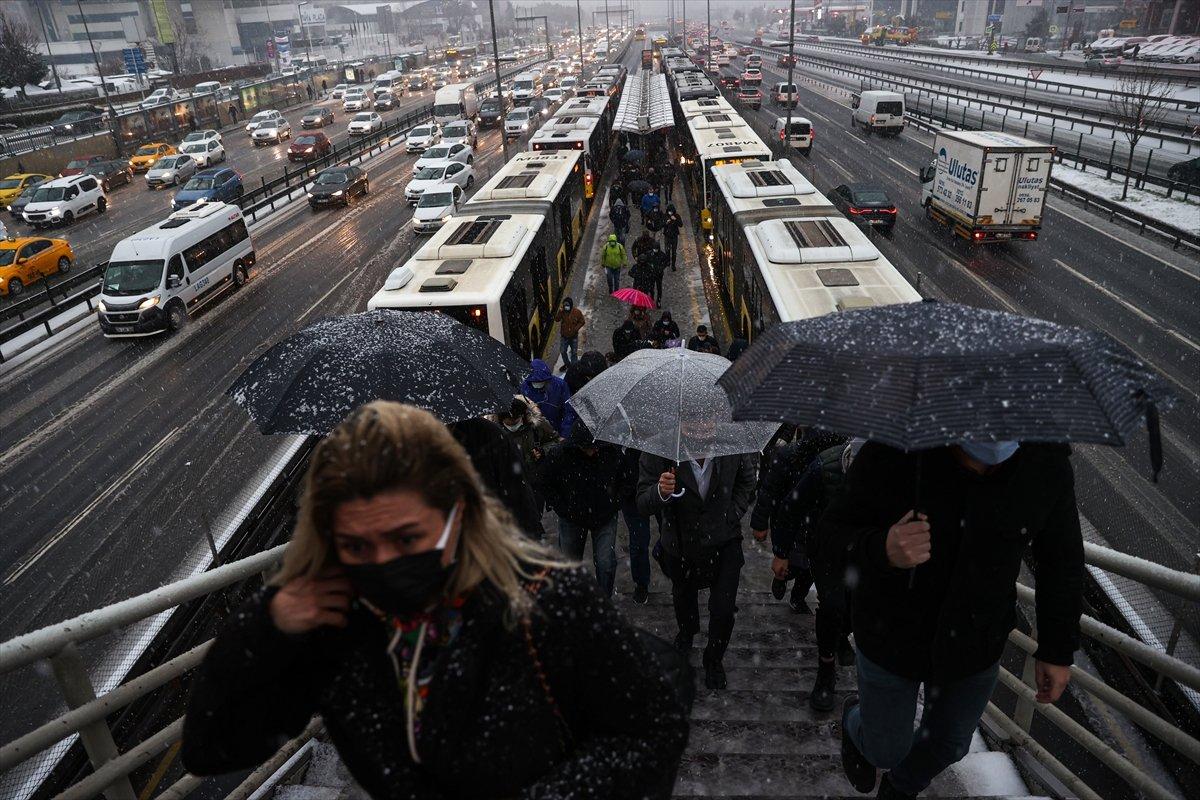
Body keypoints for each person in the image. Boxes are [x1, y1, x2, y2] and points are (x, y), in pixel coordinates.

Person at [182, 402, 689, 798]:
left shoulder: (544, 599)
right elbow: (212, 746)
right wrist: (267, 627)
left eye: (407, 539)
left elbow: (649, 728)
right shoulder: (334, 625)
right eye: (356, 546)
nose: (382, 565)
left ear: (459, 515)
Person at [824, 440, 1083, 799]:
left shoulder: (1045, 463)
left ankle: (901, 786)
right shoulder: (895, 449)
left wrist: (1057, 647)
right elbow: (829, 536)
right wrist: (881, 548)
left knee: (950, 743)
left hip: (976, 640)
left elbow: (1062, 560)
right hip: (890, 631)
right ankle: (856, 721)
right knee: (884, 748)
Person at [637, 431, 758, 691]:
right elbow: (642, 502)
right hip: (681, 543)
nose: (702, 425)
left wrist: (733, 514)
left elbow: (747, 483)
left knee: (724, 609)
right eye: (693, 419)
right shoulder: (659, 448)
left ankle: (713, 659)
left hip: (725, 541)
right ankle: (687, 630)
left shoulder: (733, 443)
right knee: (683, 595)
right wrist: (660, 491)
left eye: (707, 417)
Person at [749, 430, 847, 614]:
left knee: (809, 567)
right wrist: (760, 522)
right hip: (789, 518)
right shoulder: (789, 456)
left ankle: (798, 595)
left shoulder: (837, 458)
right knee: (793, 561)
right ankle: (782, 577)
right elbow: (769, 490)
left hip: (817, 522)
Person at [536, 422, 625, 597]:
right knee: (569, 564)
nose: (592, 451)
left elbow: (625, 478)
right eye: (588, 448)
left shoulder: (609, 451)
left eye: (594, 447)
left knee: (605, 562)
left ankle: (604, 599)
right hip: (572, 517)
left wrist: (615, 502)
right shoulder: (560, 455)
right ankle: (572, 602)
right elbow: (544, 481)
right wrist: (563, 508)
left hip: (604, 515)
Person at [487, 395, 559, 491]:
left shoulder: (537, 425)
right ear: (501, 419)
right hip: (513, 485)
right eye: (509, 422)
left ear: (522, 415)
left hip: (540, 477)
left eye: (516, 420)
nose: (513, 424)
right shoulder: (492, 433)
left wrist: (543, 451)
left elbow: (555, 441)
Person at [617, 445, 652, 604]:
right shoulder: (618, 438)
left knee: (670, 536)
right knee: (639, 542)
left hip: (657, 486)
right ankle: (641, 583)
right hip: (631, 494)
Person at [520, 358, 572, 438]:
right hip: (536, 431)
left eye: (540, 381)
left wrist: (565, 433)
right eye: (535, 381)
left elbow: (568, 410)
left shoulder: (560, 385)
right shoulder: (524, 387)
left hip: (557, 428)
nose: (538, 384)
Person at [554, 296, 586, 367]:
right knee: (562, 351)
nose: (566, 307)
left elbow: (582, 321)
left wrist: (576, 329)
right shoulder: (562, 312)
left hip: (573, 337)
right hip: (564, 336)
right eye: (565, 305)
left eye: (567, 305)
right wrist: (560, 311)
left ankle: (574, 366)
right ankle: (567, 364)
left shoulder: (577, 312)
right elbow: (557, 319)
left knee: (574, 353)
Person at [662, 206, 682, 272]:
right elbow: (662, 224)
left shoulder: (677, 216)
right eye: (669, 211)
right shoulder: (665, 216)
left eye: (671, 211)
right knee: (667, 250)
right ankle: (668, 261)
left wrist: (675, 219)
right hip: (667, 236)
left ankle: (673, 265)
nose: (670, 212)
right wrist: (666, 223)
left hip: (674, 236)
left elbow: (681, 225)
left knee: (674, 251)